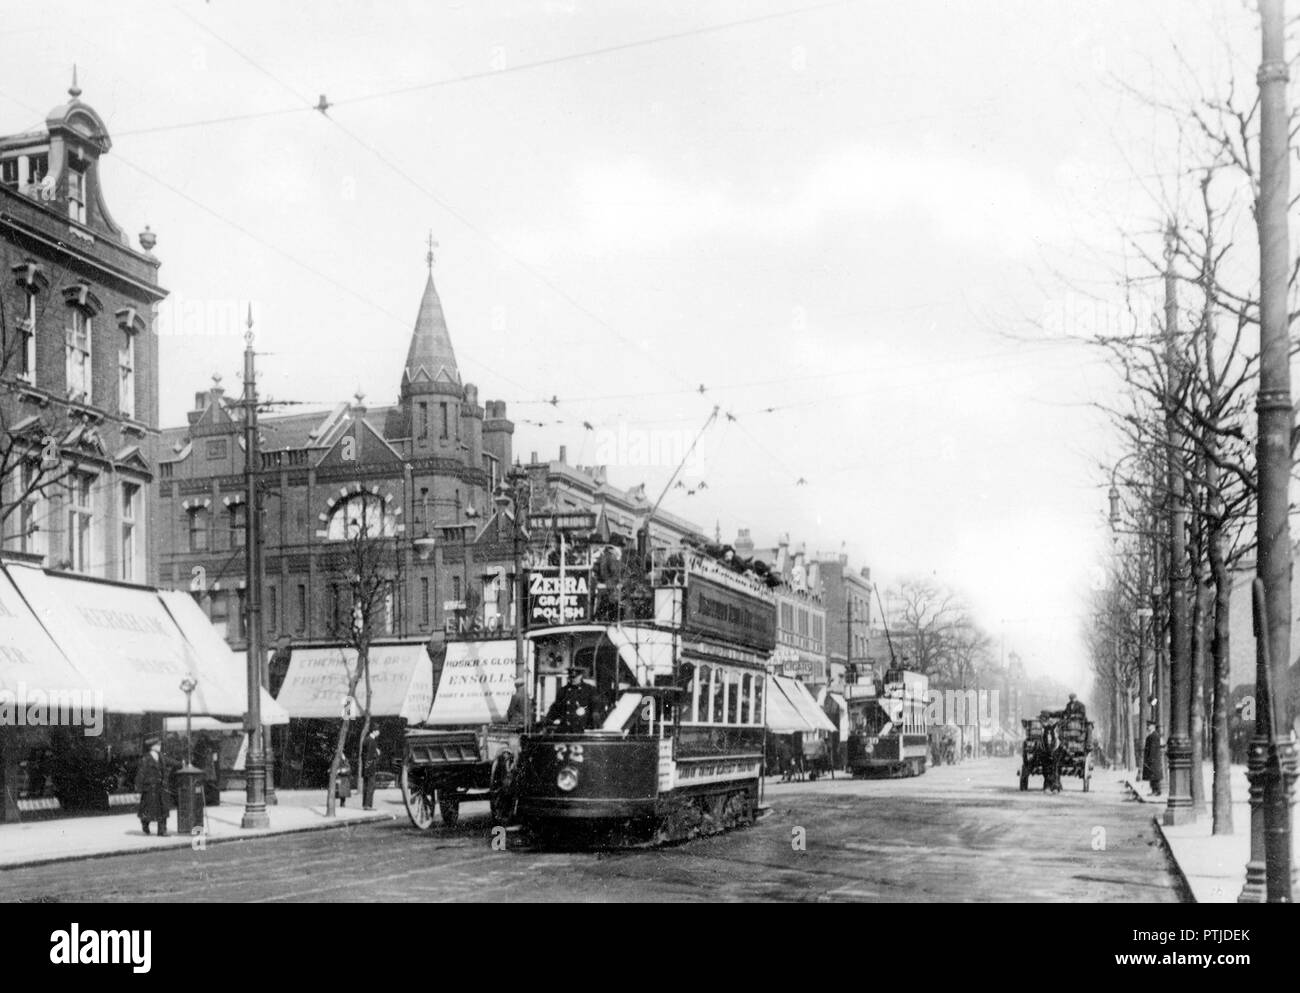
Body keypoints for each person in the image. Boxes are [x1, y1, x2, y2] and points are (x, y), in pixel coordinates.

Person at [135, 734, 170, 836]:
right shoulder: (146, 758)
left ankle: (162, 830)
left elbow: (169, 762)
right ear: (153, 746)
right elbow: (140, 774)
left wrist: (181, 763)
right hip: (149, 788)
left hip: (160, 787)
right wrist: (138, 789)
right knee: (147, 809)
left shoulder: (161, 756)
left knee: (163, 809)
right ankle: (145, 823)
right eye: (158, 744)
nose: (160, 746)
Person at [545, 667, 597, 732]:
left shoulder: (589, 690)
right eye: (571, 677)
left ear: (580, 676)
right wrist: (548, 721)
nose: (572, 679)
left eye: (575, 677)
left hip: (583, 729)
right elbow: (556, 708)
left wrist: (593, 726)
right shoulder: (563, 691)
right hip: (566, 729)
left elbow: (595, 709)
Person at [362, 728, 382, 810]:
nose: (379, 733)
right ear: (373, 731)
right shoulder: (371, 741)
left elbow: (363, 754)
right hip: (370, 767)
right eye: (378, 731)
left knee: (366, 786)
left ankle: (365, 804)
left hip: (366, 767)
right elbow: (370, 755)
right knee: (371, 786)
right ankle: (368, 805)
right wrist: (377, 753)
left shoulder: (366, 739)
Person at [1142, 721, 1163, 796]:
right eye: (1147, 725)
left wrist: (1150, 759)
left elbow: (1153, 748)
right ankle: (1155, 790)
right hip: (1153, 758)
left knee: (1154, 775)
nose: (1148, 727)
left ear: (1153, 726)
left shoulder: (1154, 736)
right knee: (1153, 775)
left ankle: (1156, 791)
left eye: (1149, 725)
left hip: (1153, 758)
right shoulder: (1152, 735)